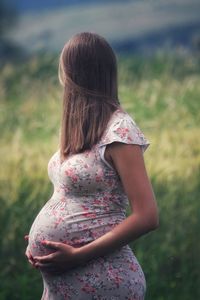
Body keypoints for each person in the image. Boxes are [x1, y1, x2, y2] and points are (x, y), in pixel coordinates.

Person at [25, 32, 159, 300]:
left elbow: (147, 215)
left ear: (75, 74)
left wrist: (77, 255)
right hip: (64, 284)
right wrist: (40, 244)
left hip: (104, 279)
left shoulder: (120, 131)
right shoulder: (83, 131)